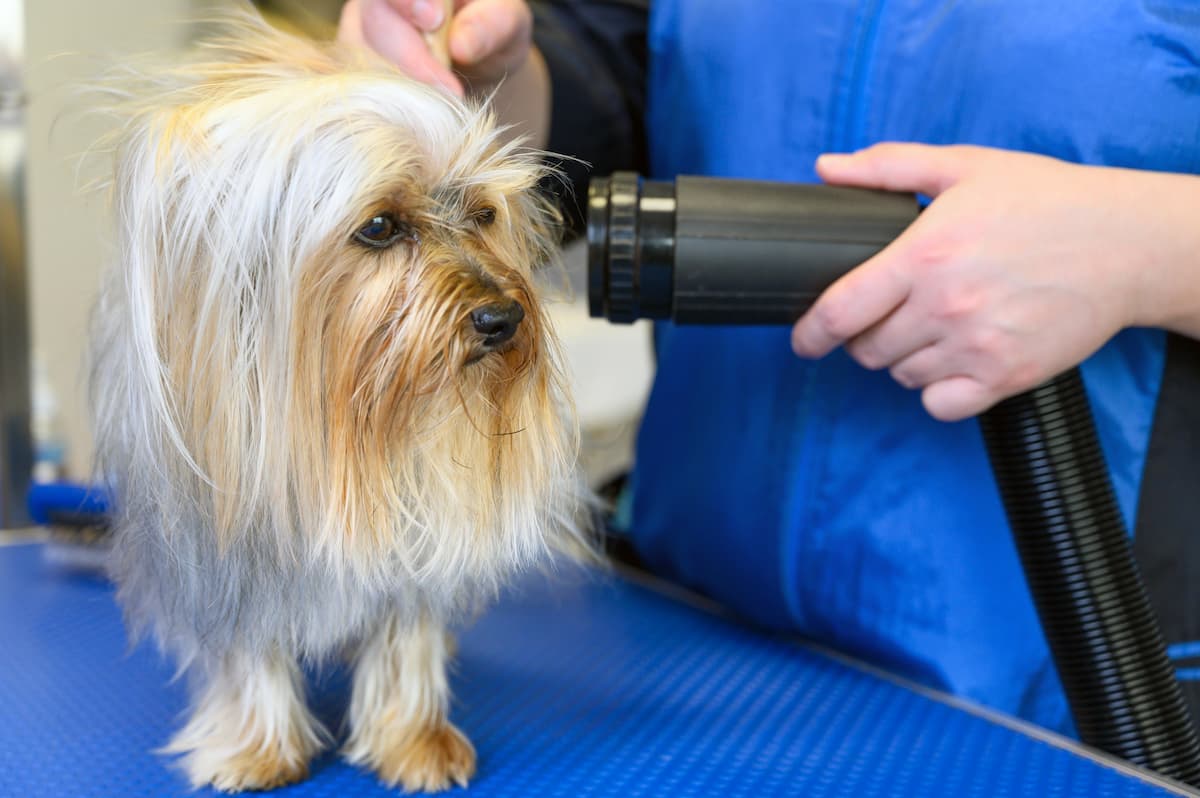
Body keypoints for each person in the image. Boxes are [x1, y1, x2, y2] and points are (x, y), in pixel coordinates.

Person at [340, 0, 1200, 735]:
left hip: (1098, 682)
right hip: (696, 641)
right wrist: (485, 75)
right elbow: (607, 79)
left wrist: (1150, 248)